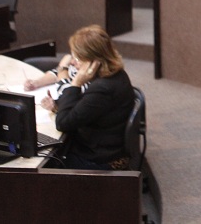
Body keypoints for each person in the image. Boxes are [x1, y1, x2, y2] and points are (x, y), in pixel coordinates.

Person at [38, 25, 135, 170]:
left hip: (98, 160)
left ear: (94, 61)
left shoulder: (102, 88)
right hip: (104, 147)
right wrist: (58, 105)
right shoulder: (115, 74)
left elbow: (63, 123)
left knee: (42, 162)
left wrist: (75, 83)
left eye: (77, 58)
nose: (72, 62)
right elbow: (85, 107)